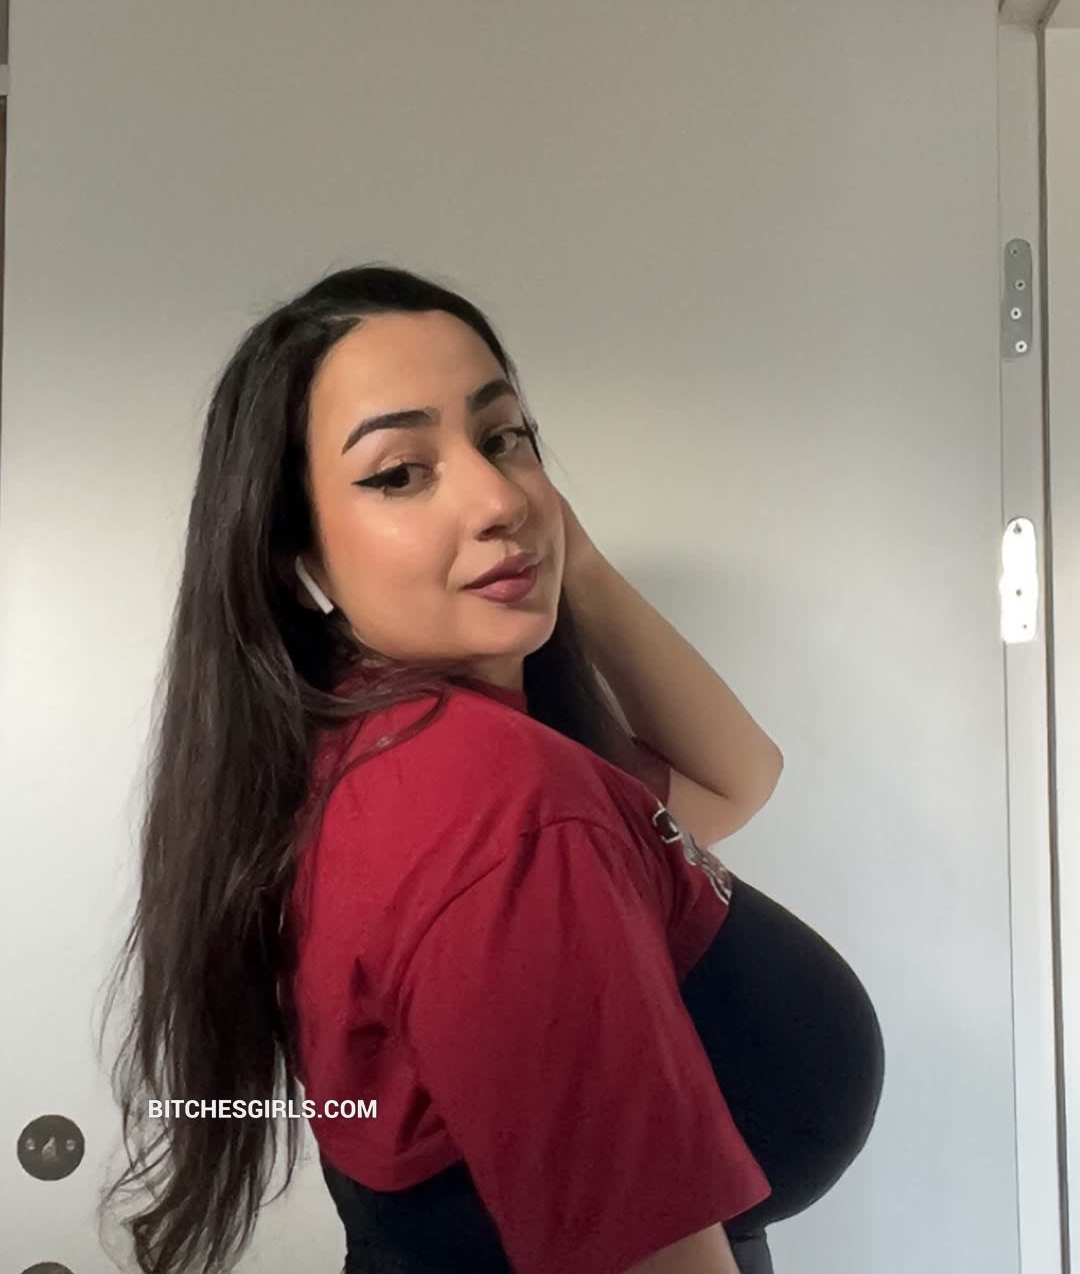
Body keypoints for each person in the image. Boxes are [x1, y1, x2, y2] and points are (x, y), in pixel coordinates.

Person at [98, 264, 884, 1274]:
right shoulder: (495, 802)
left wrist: (568, 554)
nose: (496, 497)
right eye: (399, 473)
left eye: (504, 438)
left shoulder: (388, 746)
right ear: (299, 558)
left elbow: (737, 780)